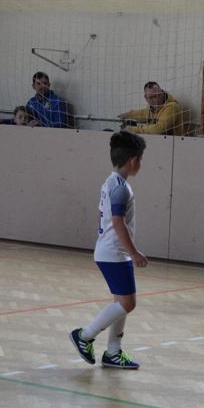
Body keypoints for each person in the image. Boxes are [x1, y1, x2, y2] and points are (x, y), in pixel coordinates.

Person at [69, 131, 147, 370]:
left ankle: (113, 352)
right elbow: (118, 222)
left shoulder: (110, 182)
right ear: (133, 160)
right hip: (115, 253)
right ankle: (84, 335)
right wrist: (134, 253)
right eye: (141, 159)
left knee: (120, 302)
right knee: (128, 303)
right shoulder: (120, 188)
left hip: (110, 251)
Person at [119, 82, 187, 136]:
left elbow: (158, 129)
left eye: (158, 95)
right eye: (151, 97)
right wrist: (128, 114)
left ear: (162, 92)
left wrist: (132, 129)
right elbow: (143, 113)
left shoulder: (172, 107)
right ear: (146, 98)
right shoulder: (153, 108)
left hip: (176, 145)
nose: (156, 100)